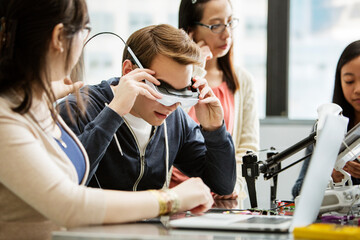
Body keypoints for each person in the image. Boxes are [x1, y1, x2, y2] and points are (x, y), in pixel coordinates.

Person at [0, 1, 213, 239]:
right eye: (84, 31)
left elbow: (69, 173)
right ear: (60, 36)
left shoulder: (32, 103)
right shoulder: (6, 118)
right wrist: (173, 199)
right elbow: (69, 204)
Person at [58, 24, 236, 196]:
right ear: (129, 71)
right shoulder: (78, 109)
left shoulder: (175, 119)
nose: (172, 105)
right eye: (163, 90)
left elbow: (222, 185)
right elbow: (64, 185)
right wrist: (114, 113)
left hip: (153, 225)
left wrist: (215, 129)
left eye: (181, 93)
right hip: (90, 225)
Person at [171, 0, 259, 204]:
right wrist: (195, 67)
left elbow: (248, 146)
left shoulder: (242, 80)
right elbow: (170, 120)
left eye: (230, 22)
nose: (227, 33)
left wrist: (233, 184)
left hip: (222, 197)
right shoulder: (173, 77)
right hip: (175, 195)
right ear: (190, 30)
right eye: (216, 25)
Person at [292, 40, 360, 198]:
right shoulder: (326, 127)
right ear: (339, 81)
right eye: (349, 81)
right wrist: (328, 178)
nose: (357, 89)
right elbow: (297, 191)